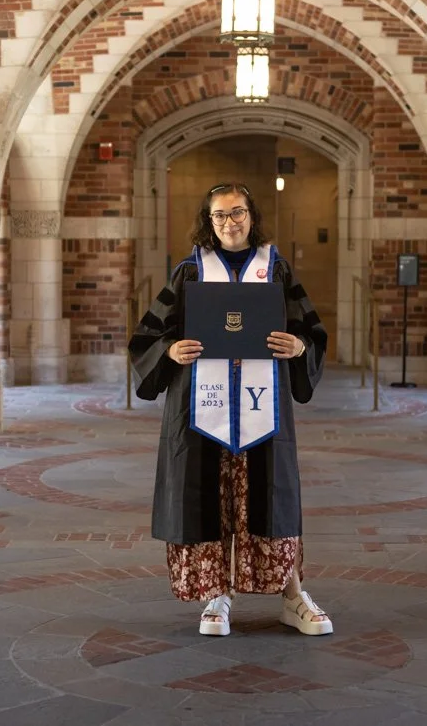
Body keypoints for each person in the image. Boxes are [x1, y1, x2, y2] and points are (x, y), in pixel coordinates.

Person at [127, 181, 332, 637]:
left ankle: (292, 593)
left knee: (271, 496)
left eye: (237, 212)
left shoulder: (275, 270)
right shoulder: (190, 271)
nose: (230, 222)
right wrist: (170, 350)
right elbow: (147, 337)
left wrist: (299, 345)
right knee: (207, 498)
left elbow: (311, 332)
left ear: (251, 215)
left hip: (264, 410)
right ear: (209, 220)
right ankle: (215, 596)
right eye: (220, 215)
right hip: (201, 409)